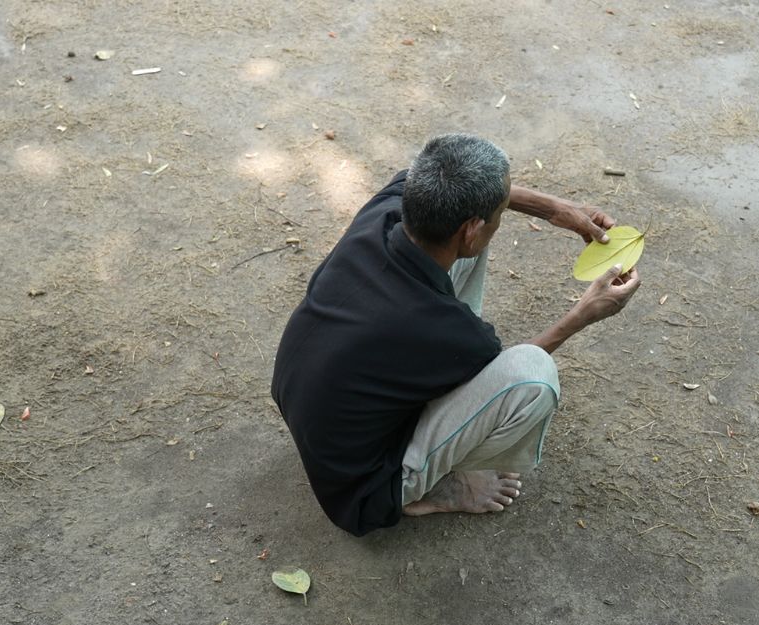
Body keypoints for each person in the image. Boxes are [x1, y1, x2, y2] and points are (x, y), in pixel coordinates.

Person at [271, 133, 640, 536]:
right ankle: (428, 489)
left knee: (457, 258)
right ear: (471, 227)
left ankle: (422, 419)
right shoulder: (445, 330)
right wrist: (583, 314)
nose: (499, 222)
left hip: (303, 395)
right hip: (362, 489)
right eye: (496, 217)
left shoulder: (389, 210)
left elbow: (472, 219)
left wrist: (555, 208)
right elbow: (503, 374)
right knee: (533, 375)